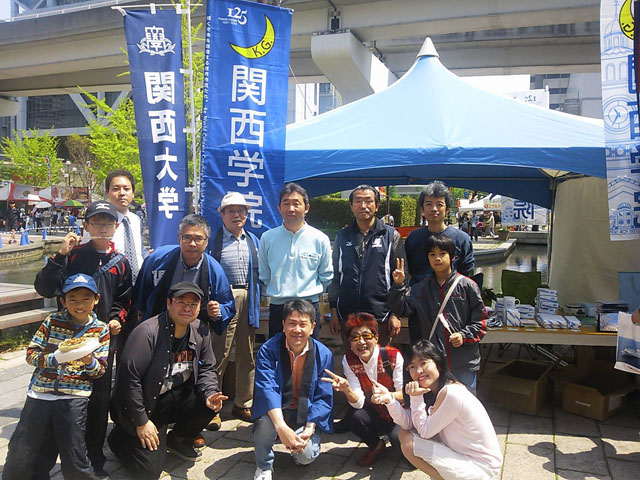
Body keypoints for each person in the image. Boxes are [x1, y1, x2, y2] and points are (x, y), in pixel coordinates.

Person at [34, 200, 132, 477]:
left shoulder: (121, 263)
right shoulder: (74, 255)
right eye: (96, 222)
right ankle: (53, 458)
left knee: (99, 401)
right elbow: (45, 288)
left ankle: (93, 460)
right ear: (86, 225)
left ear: (116, 226)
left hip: (101, 340)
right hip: (68, 338)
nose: (102, 227)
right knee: (62, 397)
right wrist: (60, 255)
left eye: (107, 222)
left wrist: (117, 318)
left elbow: (125, 298)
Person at [108, 282, 227, 480]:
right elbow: (128, 380)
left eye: (193, 304)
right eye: (181, 302)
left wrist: (210, 393)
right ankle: (120, 438)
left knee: (209, 403)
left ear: (200, 308)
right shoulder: (147, 332)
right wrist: (141, 421)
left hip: (172, 397)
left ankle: (179, 439)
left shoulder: (200, 330)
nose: (187, 308)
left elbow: (207, 368)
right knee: (148, 473)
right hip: (142, 405)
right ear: (169, 303)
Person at [3, 273, 110, 480]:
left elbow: (100, 371)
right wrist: (55, 359)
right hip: (40, 393)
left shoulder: (101, 330)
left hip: (74, 396)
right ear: (63, 301)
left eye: (86, 298)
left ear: (96, 299)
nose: (79, 305)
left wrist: (89, 361)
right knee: (22, 451)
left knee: (74, 453)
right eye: (73, 299)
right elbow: (31, 354)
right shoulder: (52, 321)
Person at [371, 341, 503, 480]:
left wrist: (415, 398)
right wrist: (390, 400)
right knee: (404, 434)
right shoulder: (431, 391)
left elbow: (425, 432)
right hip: (463, 456)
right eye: (412, 366)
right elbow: (408, 423)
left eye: (423, 363)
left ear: (438, 365)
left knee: (409, 443)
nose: (418, 371)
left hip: (482, 468)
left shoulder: (451, 392)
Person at [388, 233, 486, 392]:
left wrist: (463, 335)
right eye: (432, 254)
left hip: (462, 361)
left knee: (465, 401)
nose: (437, 258)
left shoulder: (468, 286)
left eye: (442, 253)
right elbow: (402, 309)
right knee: (435, 402)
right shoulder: (420, 289)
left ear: (453, 257)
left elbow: (480, 321)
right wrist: (398, 286)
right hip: (433, 362)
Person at [252, 299, 334, 480]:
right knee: (264, 423)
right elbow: (267, 389)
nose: (297, 330)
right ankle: (264, 466)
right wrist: (281, 427)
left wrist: (310, 428)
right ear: (283, 325)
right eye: (292, 323)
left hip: (305, 413)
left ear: (312, 327)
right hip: (276, 410)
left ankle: (297, 446)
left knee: (306, 457)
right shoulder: (268, 350)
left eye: (303, 324)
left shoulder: (324, 354)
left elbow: (323, 396)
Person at [328, 185, 406, 350]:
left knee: (380, 362)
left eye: (368, 201)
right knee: (352, 361)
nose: (363, 206)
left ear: (377, 206)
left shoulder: (391, 235)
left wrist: (395, 313)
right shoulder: (342, 236)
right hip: (348, 315)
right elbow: (335, 275)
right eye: (358, 201)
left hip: (380, 316)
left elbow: (401, 278)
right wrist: (334, 311)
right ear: (351, 206)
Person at [321, 312, 404, 466]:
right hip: (376, 413)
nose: (361, 342)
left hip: (399, 415)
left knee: (399, 443)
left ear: (376, 338)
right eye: (355, 337)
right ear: (350, 342)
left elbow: (405, 395)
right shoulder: (349, 360)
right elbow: (358, 403)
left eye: (366, 336)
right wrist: (347, 390)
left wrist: (388, 396)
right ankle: (376, 446)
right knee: (354, 417)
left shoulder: (392, 355)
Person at [208, 192, 261, 429]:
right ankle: (213, 407)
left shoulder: (253, 240)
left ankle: (243, 402)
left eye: (241, 210)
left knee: (247, 354)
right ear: (222, 214)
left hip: (250, 297)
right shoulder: (213, 241)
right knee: (219, 353)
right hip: (224, 299)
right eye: (231, 210)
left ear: (247, 214)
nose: (237, 215)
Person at [133, 213, 235, 334]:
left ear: (207, 241)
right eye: (187, 237)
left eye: (198, 239)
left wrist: (217, 311)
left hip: (194, 331)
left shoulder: (215, 270)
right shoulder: (157, 259)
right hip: (156, 327)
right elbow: (140, 295)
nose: (192, 244)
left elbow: (227, 305)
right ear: (179, 238)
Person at [259, 183, 333, 339]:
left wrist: (310, 292)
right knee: (278, 350)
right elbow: (265, 275)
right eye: (286, 203)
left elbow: (326, 275)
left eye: (296, 203)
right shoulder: (268, 238)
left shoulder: (320, 239)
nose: (291, 208)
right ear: (279, 208)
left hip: (308, 305)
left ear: (307, 208)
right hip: (278, 307)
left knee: (308, 351)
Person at [405, 181, 474, 283]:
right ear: (422, 209)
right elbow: (407, 269)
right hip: (419, 292)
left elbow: (467, 273)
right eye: (429, 204)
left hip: (453, 292)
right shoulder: (413, 237)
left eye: (439, 204)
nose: (434, 209)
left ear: (447, 209)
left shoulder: (462, 239)